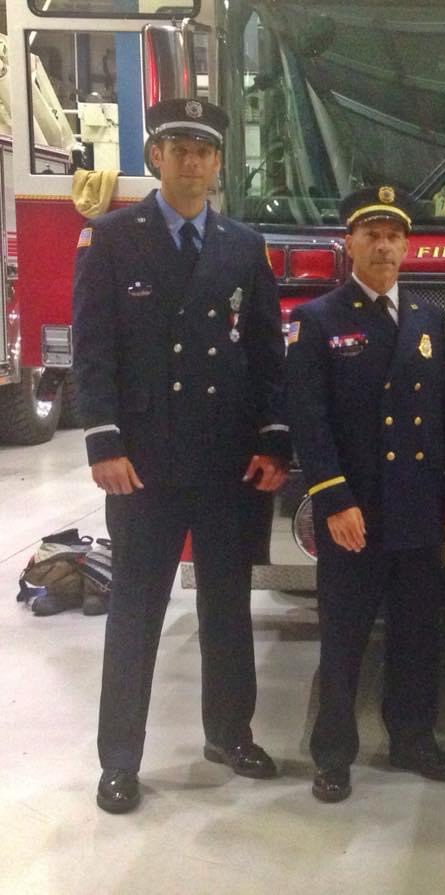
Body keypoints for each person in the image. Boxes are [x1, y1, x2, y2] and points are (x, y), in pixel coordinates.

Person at [72, 98, 291, 814]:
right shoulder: (112, 238)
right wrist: (104, 440)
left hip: (227, 462)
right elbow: (93, 347)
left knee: (228, 606)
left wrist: (273, 438)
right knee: (136, 611)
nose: (192, 161)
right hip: (144, 464)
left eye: (204, 150)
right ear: (156, 157)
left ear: (219, 162)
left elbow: (266, 352)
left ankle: (229, 734)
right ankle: (120, 760)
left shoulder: (242, 244)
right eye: (179, 148)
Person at [285, 186, 445, 803]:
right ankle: (333, 754)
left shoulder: (428, 319)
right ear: (349, 243)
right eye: (372, 235)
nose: (385, 247)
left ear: (407, 246)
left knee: (417, 633)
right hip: (357, 510)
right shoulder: (319, 319)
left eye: (394, 236)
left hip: (418, 506)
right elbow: (309, 420)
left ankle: (413, 739)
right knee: (343, 637)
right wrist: (332, 499)